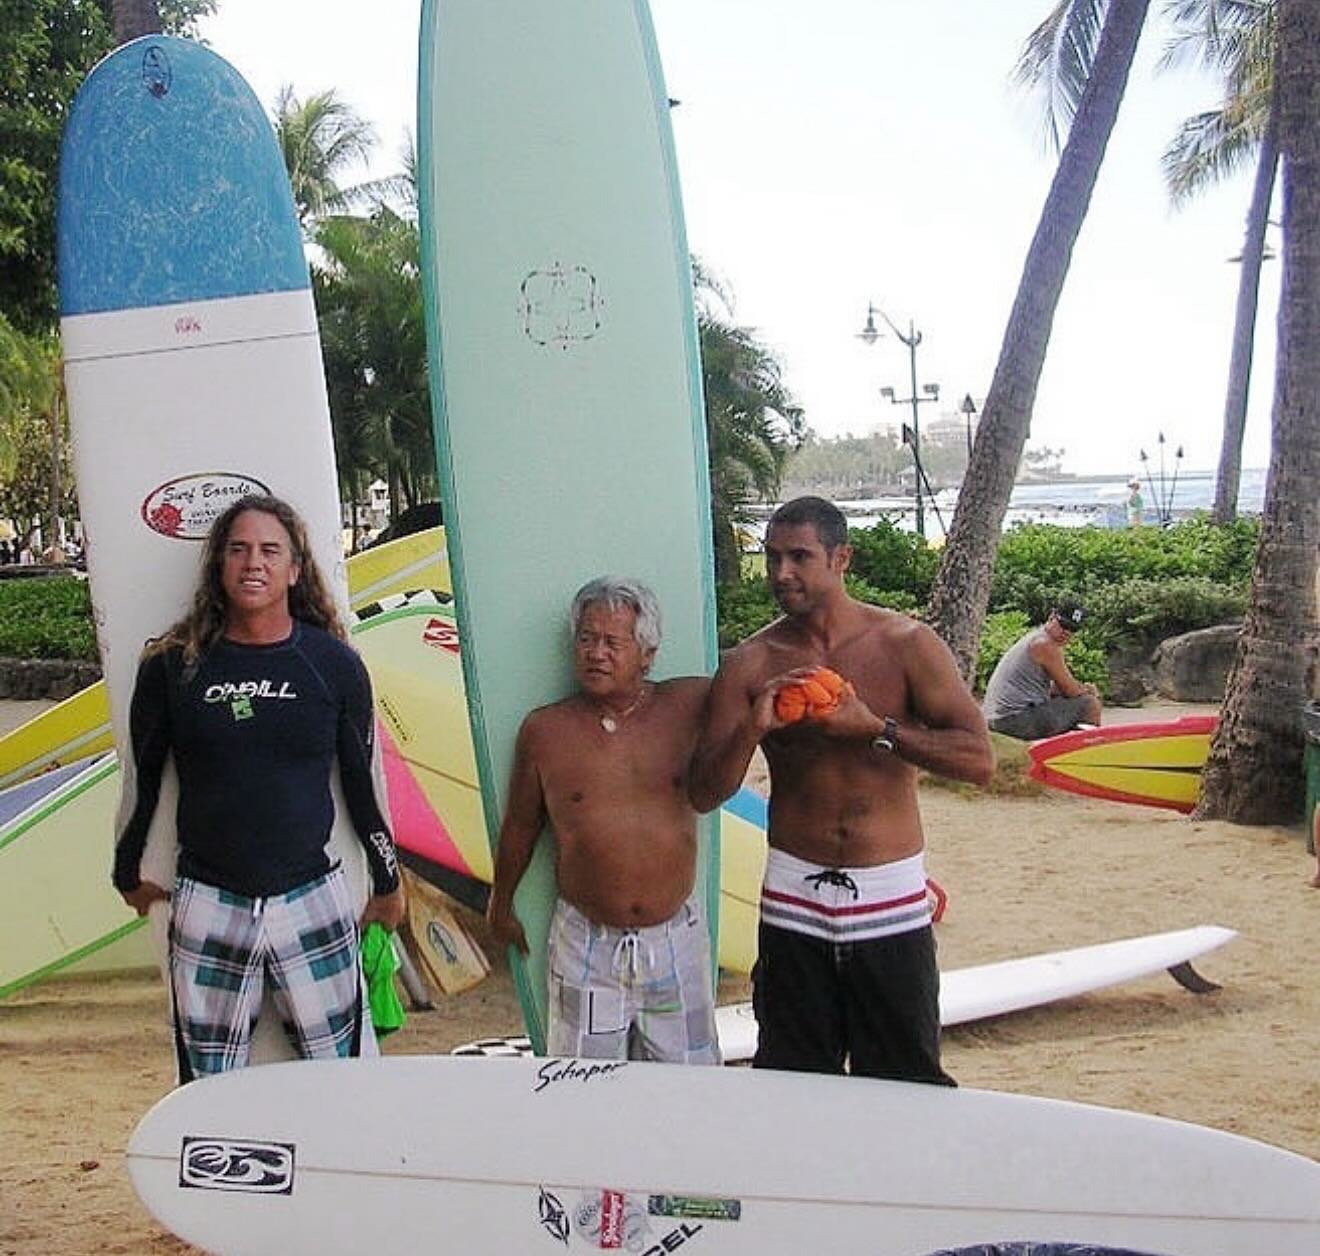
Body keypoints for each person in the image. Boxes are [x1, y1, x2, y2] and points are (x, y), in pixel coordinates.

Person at [689, 497, 993, 1084]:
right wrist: (753, 726)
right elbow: (703, 793)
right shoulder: (752, 662)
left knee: (905, 1081)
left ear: (841, 558)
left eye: (799, 557)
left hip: (890, 899)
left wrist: (875, 729)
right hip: (793, 902)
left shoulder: (906, 644)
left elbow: (978, 760)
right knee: (794, 1079)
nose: (782, 573)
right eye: (772, 557)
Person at [112, 495, 405, 1080]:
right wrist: (126, 873)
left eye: (271, 551)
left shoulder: (333, 663)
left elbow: (361, 783)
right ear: (219, 565)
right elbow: (143, 778)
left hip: (312, 895)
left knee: (344, 1080)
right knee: (208, 1087)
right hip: (208, 900)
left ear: (295, 569)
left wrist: (388, 881)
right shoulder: (172, 666)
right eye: (239, 550)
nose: (254, 563)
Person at [486, 576, 720, 1064]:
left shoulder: (687, 705)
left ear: (648, 653)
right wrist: (500, 903)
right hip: (586, 945)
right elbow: (521, 827)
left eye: (613, 642)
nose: (596, 653)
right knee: (582, 1088)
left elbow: (752, 684)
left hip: (675, 939)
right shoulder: (545, 730)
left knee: (691, 1090)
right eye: (586, 639)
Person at [983, 602, 1101, 740]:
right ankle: (1083, 751)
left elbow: (1055, 689)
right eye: (1063, 625)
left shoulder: (1035, 638)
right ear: (1052, 617)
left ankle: (1067, 746)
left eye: (1072, 629)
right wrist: (1089, 690)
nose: (1066, 632)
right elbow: (1071, 690)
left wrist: (1079, 688)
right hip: (1011, 720)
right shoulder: (1045, 644)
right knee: (1089, 704)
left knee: (1072, 701)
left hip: (999, 718)